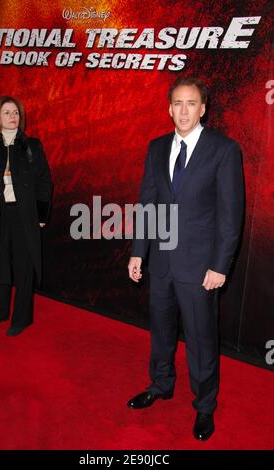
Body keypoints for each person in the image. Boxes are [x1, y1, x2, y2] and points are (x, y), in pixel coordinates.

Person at [127, 77, 244, 441]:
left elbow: (230, 215)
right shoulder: (157, 147)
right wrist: (137, 252)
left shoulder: (224, 150)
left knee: (201, 340)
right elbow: (147, 203)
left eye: (191, 103)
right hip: (161, 262)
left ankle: (204, 406)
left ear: (203, 108)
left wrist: (220, 266)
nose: (183, 111)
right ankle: (161, 385)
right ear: (168, 108)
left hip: (200, 267)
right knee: (160, 332)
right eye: (177, 103)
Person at [0, 96, 53, 336]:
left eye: (16, 113)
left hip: (24, 215)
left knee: (23, 267)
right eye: (7, 112)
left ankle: (22, 318)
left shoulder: (33, 146)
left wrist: (41, 215)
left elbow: (44, 182)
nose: (13, 117)